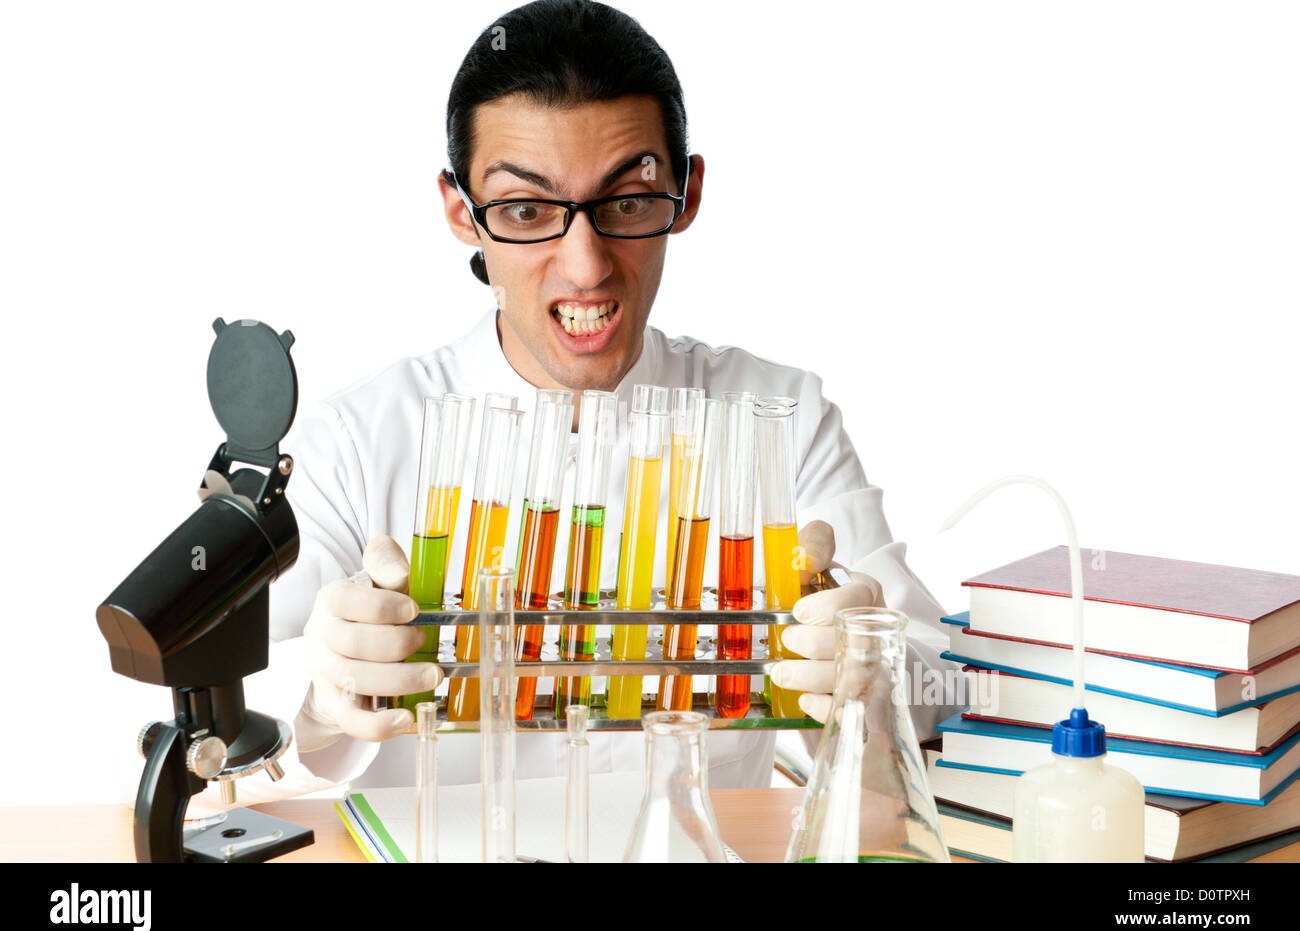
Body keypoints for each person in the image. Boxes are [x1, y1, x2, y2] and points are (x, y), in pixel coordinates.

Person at [195, 0, 963, 808]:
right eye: (527, 210)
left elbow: (945, 692)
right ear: (463, 212)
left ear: (687, 191)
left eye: (628, 200)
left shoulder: (777, 415)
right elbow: (212, 716)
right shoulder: (356, 439)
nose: (587, 266)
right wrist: (322, 684)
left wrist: (867, 664)